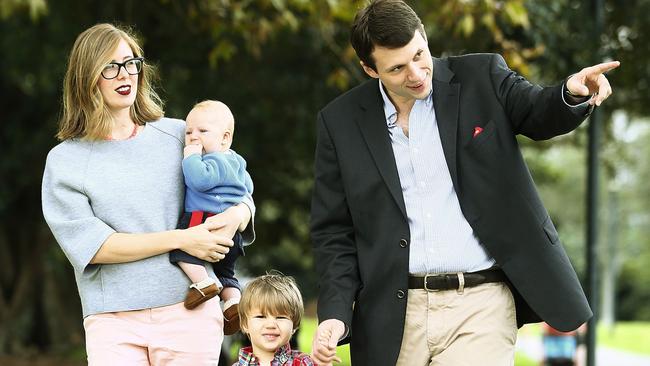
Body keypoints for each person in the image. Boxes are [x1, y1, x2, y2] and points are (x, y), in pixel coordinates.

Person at [309, 1, 619, 365]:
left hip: (480, 303)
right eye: (397, 68)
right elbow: (333, 231)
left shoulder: (481, 76)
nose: (416, 73)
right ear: (369, 68)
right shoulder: (340, 122)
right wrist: (334, 312)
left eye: (419, 54)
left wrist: (570, 92)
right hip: (391, 314)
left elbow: (537, 110)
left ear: (423, 35)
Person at [41, 23, 255, 365]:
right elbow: (96, 247)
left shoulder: (178, 135)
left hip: (190, 310)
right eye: (110, 66)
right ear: (86, 77)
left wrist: (237, 216)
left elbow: (236, 188)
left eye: (130, 63)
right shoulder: (65, 160)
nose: (124, 74)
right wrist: (182, 239)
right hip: (112, 321)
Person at [170, 100, 253, 336]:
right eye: (188, 132)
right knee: (227, 273)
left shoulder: (212, 160)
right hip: (233, 234)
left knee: (181, 252)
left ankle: (204, 283)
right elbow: (248, 187)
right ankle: (233, 302)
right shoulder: (237, 161)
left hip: (203, 220)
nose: (194, 137)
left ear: (225, 138)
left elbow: (199, 180)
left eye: (202, 131)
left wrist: (191, 157)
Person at [233, 273, 315, 366]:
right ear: (244, 324)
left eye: (281, 317)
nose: (271, 325)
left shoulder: (303, 363)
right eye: (261, 317)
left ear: (294, 324)